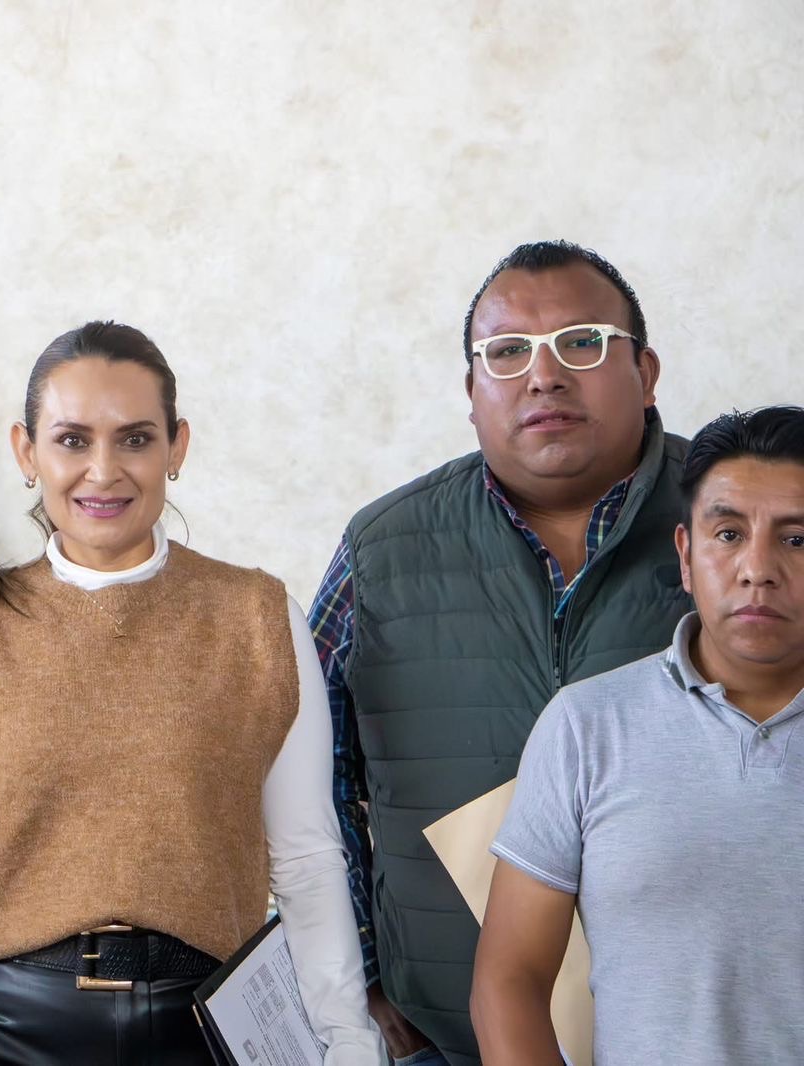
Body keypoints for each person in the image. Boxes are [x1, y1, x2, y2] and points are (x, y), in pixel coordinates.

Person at [0, 321, 386, 1065]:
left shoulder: (256, 617)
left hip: (206, 1030)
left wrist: (349, 1044)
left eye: (134, 439)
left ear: (176, 448)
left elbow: (309, 862)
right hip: (10, 1033)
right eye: (71, 440)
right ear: (26, 452)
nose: (103, 471)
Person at [309, 240, 692, 1065]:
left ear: (647, 371)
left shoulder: (742, 527)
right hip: (442, 1040)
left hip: (702, 1035)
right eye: (508, 351)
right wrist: (359, 979)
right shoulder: (382, 551)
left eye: (582, 342)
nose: (544, 376)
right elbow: (308, 786)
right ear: (471, 391)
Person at [472, 406, 804, 1065]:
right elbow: (509, 979)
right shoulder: (586, 725)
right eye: (729, 533)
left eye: (797, 540)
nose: (757, 568)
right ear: (686, 556)